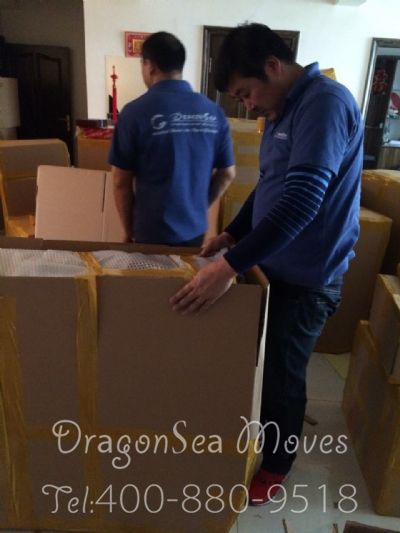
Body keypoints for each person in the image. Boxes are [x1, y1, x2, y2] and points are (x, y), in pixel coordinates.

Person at [170, 23, 363, 505]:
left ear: (273, 67)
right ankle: (262, 432)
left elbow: (302, 201)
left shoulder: (324, 103)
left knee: (282, 373)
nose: (248, 105)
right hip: (270, 264)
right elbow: (270, 186)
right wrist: (234, 233)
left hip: (306, 278)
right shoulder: (282, 110)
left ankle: (277, 464)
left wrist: (229, 266)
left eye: (246, 92)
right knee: (262, 362)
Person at [109, 31, 235, 246]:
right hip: (195, 230)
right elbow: (227, 173)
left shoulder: (134, 113)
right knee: (188, 271)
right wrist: (199, 207)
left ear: (149, 66)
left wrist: (128, 232)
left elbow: (121, 181)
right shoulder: (213, 112)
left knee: (151, 271)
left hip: (150, 233)